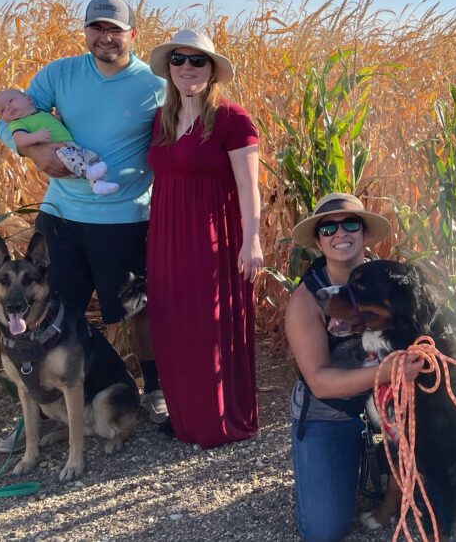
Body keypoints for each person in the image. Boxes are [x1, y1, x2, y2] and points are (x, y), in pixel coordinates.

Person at [0, 0, 168, 452]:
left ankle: (153, 390)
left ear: (132, 34)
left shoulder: (154, 85)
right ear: (86, 31)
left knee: (136, 309)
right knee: (50, 314)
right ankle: (40, 409)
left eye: (115, 29)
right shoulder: (59, 75)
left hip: (124, 217)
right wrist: (33, 152)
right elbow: (7, 119)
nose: (105, 37)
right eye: (96, 28)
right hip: (62, 216)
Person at [144, 29, 262, 448]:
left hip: (213, 236)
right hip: (166, 236)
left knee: (210, 323)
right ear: (169, 68)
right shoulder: (161, 118)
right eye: (179, 60)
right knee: (173, 322)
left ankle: (219, 419)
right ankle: (186, 418)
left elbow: (249, 187)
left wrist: (253, 241)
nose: (187, 68)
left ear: (212, 69)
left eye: (197, 61)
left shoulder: (232, 118)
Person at [284, 193, 424, 542]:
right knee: (324, 530)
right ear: (317, 241)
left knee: (433, 493)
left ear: (363, 233)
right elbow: (320, 382)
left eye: (350, 223)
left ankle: (384, 454)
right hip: (331, 409)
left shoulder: (392, 277)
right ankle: (351, 453)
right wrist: (387, 373)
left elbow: (440, 322)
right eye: (328, 227)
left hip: (394, 400)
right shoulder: (305, 301)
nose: (339, 233)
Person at [0, 88, 120, 195]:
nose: (8, 107)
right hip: (59, 151)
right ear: (4, 119)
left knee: (90, 157)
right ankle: (88, 174)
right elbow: (19, 139)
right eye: (2, 110)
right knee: (75, 160)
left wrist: (57, 120)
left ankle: (97, 184)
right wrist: (36, 137)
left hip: (70, 146)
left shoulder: (40, 113)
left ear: (29, 99)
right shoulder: (17, 124)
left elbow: (52, 124)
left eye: (11, 101)